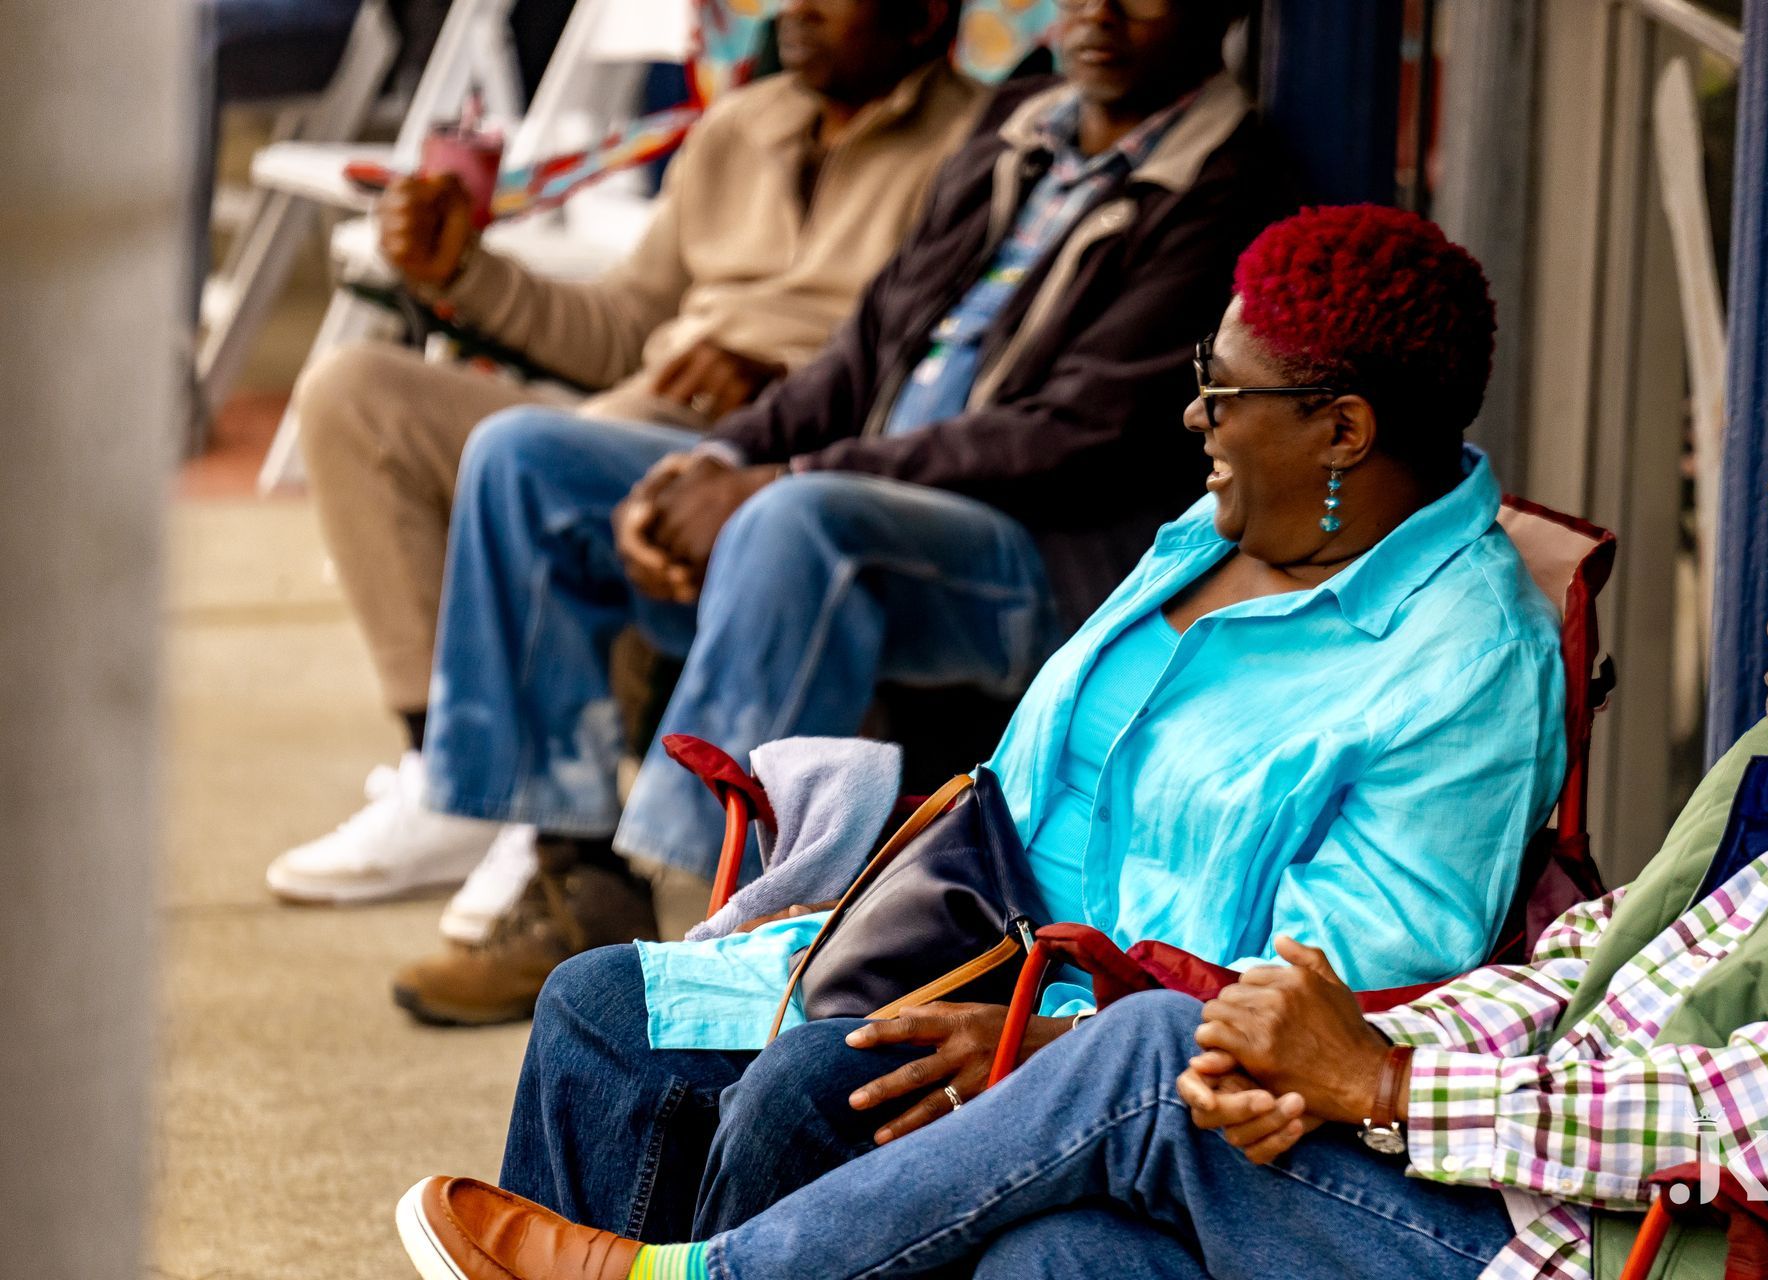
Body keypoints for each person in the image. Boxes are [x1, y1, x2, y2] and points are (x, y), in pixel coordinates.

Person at [398, 419, 1768, 1280]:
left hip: (1608, 1251)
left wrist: (1377, 1079)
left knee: (1021, 1064)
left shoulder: (1464, 659)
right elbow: (1568, 978)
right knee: (1040, 1259)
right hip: (1426, 1141)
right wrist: (1307, 1062)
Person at [413, 204, 1568, 1250]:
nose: (1193, 413)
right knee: (599, 1005)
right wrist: (875, 904)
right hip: (959, 939)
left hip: (1100, 1049)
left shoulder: (1467, 663)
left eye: (1224, 390)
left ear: (1344, 430)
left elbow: (1334, 991)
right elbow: (1030, 784)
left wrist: (1049, 1043)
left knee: (817, 1089)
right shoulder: (1219, 529)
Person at [386, 0, 1311, 1026]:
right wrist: (715, 460)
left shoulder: (1229, 181)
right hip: (876, 493)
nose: (1097, 12)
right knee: (531, 457)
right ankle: (573, 874)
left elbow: (1070, 435)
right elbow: (862, 351)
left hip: (1046, 557)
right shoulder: (1021, 135)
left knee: (799, 525)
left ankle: (702, 926)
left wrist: (776, 483)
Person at [267, 0, 987, 937]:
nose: (797, 12)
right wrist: (462, 275)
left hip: (789, 455)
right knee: (352, 391)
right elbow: (621, 328)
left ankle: (551, 833)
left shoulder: (978, 147)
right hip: (634, 417)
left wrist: (779, 383)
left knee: (532, 459)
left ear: (926, 15)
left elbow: (950, 369)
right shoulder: (741, 123)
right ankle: (441, 777)